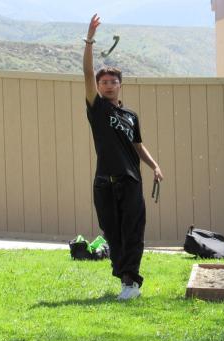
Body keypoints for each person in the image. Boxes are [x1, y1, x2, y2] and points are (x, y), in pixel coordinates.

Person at [82, 14, 163, 299]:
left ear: (120, 84)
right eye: (102, 81)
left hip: (130, 181)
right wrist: (90, 40)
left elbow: (138, 145)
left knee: (132, 231)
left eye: (112, 81)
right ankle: (124, 281)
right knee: (112, 233)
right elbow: (86, 73)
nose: (106, 85)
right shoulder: (97, 109)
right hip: (104, 182)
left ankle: (131, 282)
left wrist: (154, 166)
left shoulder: (130, 116)